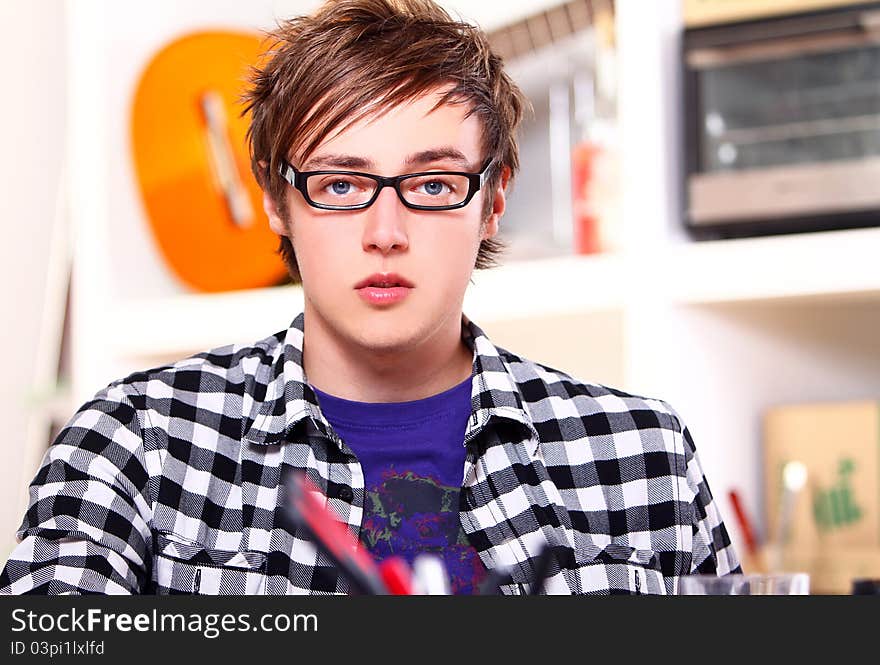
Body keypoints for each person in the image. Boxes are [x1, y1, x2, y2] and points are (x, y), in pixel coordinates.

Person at [0, 0, 739, 595]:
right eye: (342, 184)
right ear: (277, 202)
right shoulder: (136, 442)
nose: (386, 231)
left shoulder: (643, 451)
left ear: (493, 201)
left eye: (433, 185)